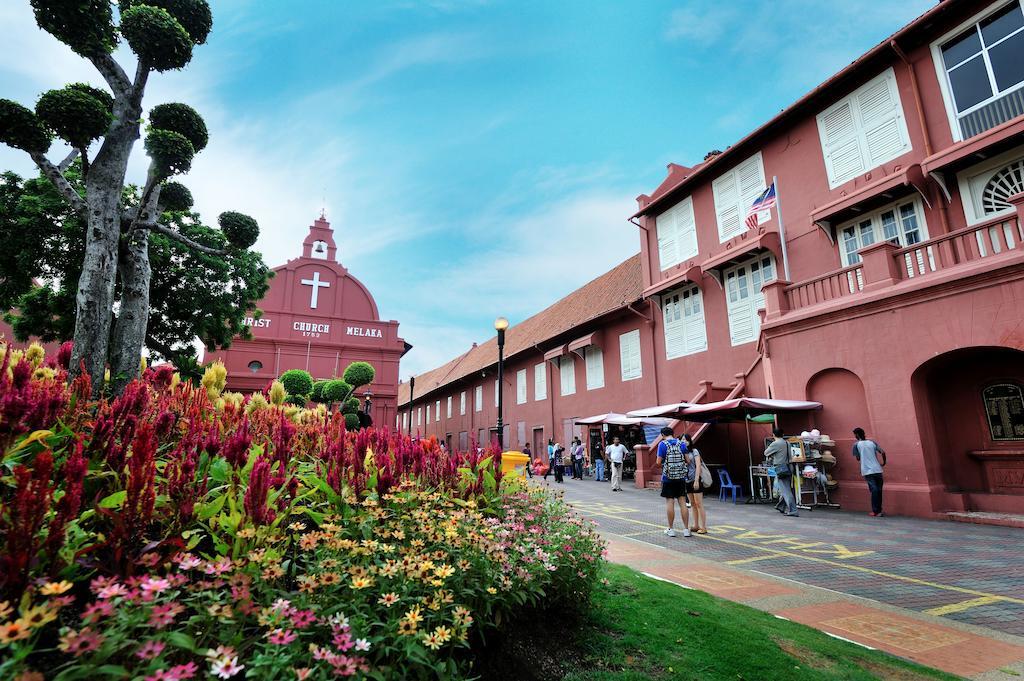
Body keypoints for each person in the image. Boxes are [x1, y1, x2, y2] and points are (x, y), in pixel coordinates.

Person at [656, 427, 691, 537]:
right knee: (682, 502)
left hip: (668, 478)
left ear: (662, 435)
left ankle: (671, 529)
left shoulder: (662, 444)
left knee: (670, 502)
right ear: (673, 433)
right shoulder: (681, 444)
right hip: (680, 478)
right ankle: (686, 530)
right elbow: (688, 461)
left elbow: (658, 462)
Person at [852, 427, 886, 516]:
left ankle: (875, 511)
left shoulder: (856, 445)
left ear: (857, 435)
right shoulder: (872, 442)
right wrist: (883, 463)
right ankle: (879, 510)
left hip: (867, 470)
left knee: (874, 490)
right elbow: (883, 452)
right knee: (879, 490)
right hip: (878, 469)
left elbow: (858, 458)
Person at [765, 427, 798, 516]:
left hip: (781, 468)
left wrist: (773, 455)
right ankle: (781, 506)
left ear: (773, 435)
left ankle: (793, 510)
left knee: (786, 490)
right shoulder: (787, 443)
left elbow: (766, 453)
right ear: (783, 435)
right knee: (787, 487)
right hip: (789, 466)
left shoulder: (775, 443)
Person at [682, 433, 707, 534]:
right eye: (682, 440)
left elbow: (698, 466)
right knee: (692, 504)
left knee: (699, 504)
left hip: (695, 480)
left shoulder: (694, 451)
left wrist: (696, 480)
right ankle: (696, 525)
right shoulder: (682, 452)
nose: (684, 441)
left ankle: (703, 527)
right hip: (687, 480)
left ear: (689, 441)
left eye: (685, 439)